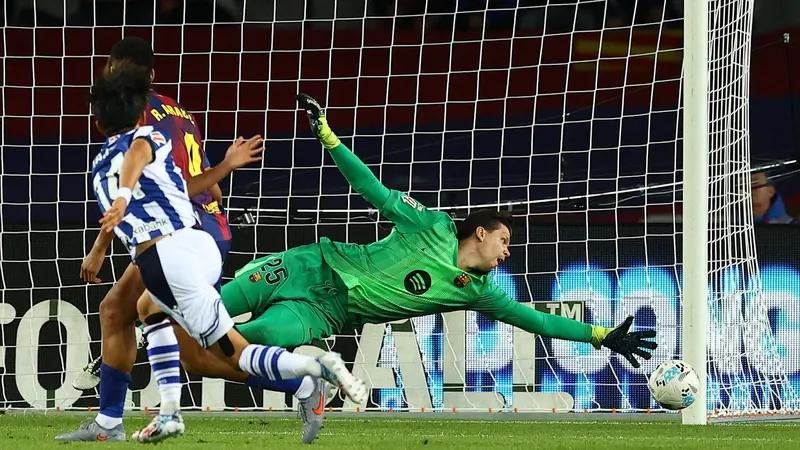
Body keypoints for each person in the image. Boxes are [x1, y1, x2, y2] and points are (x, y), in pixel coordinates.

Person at [91, 93, 659, 443]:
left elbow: (537, 321)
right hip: (308, 265)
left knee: (238, 349)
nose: (507, 253)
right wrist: (328, 137)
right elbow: (373, 189)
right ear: (480, 232)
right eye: (504, 241)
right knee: (188, 309)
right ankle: (143, 384)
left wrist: (600, 335)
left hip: (324, 310)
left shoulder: (478, 290)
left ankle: (305, 381)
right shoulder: (429, 224)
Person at [65, 63, 367, 444]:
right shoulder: (170, 122)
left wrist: (114, 217)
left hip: (173, 251)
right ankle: (166, 413)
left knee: (225, 350)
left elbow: (137, 162)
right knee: (158, 321)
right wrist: (225, 166)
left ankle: (313, 371)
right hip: (204, 240)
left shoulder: (119, 152)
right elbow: (205, 189)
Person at [56, 36, 292, 442]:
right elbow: (210, 190)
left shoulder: (139, 120)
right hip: (201, 226)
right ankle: (109, 423)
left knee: (192, 350)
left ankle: (302, 383)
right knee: (126, 315)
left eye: (117, 70)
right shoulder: (179, 113)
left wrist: (99, 248)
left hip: (184, 232)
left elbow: (165, 189)